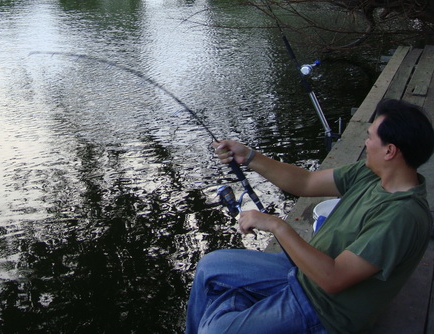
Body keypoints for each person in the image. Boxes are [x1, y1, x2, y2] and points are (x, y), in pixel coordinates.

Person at [186, 99, 434, 334]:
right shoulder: (372, 174)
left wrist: (276, 225)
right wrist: (248, 156)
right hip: (303, 272)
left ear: (390, 151)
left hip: (325, 309)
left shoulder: (402, 216)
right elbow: (305, 182)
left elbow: (334, 279)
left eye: (370, 137)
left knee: (214, 328)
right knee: (210, 268)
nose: (366, 142)